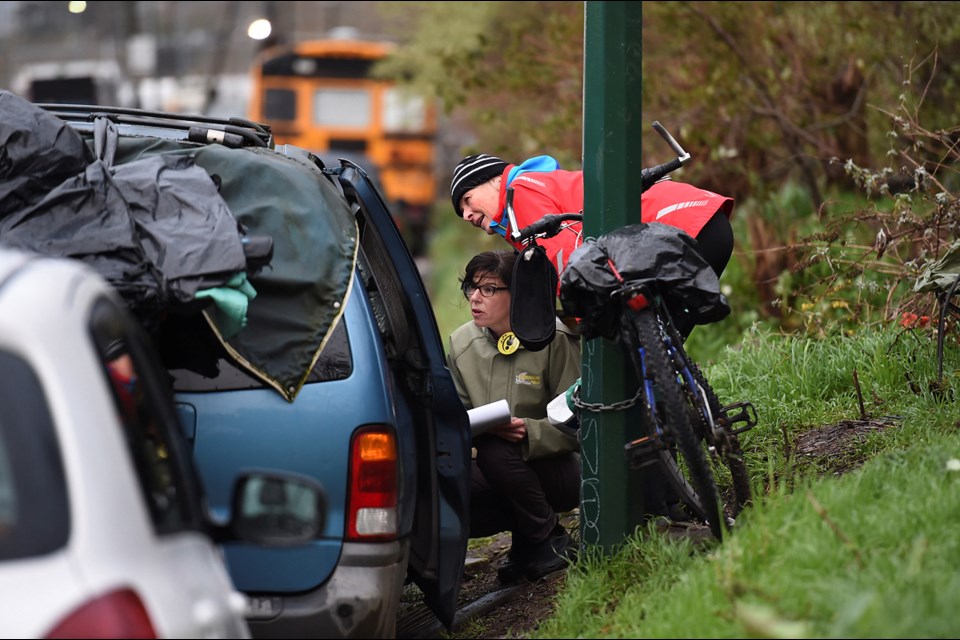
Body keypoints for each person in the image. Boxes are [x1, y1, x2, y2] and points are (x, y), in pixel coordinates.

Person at [447, 249, 582, 584]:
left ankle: (549, 538)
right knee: (450, 487)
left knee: (499, 452)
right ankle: (529, 542)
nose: (475, 298)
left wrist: (530, 433)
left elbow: (582, 419)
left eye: (489, 289)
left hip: (561, 467)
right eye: (472, 288)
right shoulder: (461, 343)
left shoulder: (556, 338)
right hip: (501, 469)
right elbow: (457, 417)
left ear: (517, 292)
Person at [449, 153, 735, 283]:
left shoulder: (519, 192)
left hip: (684, 225)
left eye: (467, 200)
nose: (466, 215)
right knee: (656, 352)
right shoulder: (533, 193)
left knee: (636, 356)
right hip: (703, 221)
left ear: (495, 181)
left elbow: (565, 262)